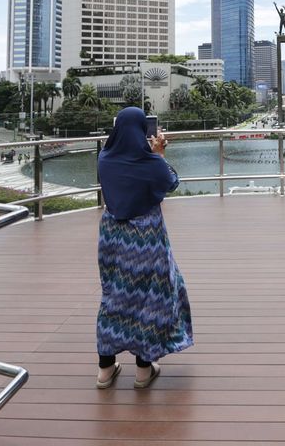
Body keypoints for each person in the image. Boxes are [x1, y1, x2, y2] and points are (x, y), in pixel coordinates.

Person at [94, 106, 193, 390]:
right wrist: (159, 153)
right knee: (148, 300)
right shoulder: (150, 162)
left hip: (112, 238)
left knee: (113, 296)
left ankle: (105, 368)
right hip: (146, 238)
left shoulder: (104, 159)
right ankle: (142, 370)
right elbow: (171, 182)